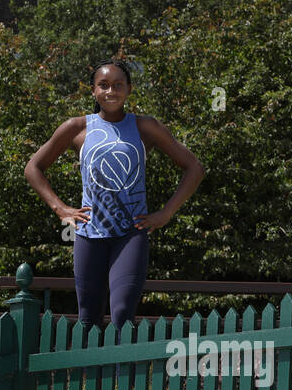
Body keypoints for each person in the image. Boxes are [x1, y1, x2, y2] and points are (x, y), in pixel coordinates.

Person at [24, 59, 205, 332]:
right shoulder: (76, 127)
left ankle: (124, 375)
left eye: (118, 85)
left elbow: (194, 167)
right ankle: (93, 374)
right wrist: (60, 208)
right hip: (89, 234)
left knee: (122, 312)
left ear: (129, 89)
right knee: (88, 318)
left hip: (130, 234)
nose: (111, 91)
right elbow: (33, 168)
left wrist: (166, 213)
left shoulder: (145, 127)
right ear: (93, 91)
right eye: (104, 85)